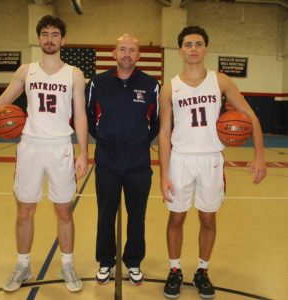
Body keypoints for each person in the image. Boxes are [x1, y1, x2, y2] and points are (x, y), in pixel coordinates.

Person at [159, 26, 266, 299]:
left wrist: (259, 156)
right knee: (177, 216)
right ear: (180, 50)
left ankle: (203, 271)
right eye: (187, 44)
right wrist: (163, 175)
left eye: (198, 44)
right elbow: (164, 133)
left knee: (208, 217)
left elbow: (251, 118)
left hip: (211, 161)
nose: (193, 48)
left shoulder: (220, 82)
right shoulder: (170, 87)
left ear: (205, 48)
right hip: (180, 160)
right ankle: (174, 270)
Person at [0, 15, 88, 293]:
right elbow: (3, 100)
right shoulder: (26, 71)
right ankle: (23, 265)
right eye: (44, 34)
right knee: (24, 211)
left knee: (64, 211)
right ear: (39, 38)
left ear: (63, 40)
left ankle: (67, 264)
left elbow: (80, 116)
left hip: (60, 148)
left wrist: (82, 153)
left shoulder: (75, 74)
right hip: (30, 146)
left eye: (55, 34)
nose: (49, 39)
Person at [86, 34, 160, 286]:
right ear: (113, 54)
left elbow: (157, 123)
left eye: (132, 50)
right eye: (122, 49)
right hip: (107, 162)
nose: (127, 54)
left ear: (138, 55)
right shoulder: (97, 83)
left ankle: (134, 261)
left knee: (137, 215)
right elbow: (88, 119)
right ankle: (105, 260)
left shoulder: (151, 85)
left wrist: (138, 140)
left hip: (138, 164)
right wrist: (107, 138)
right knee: (105, 215)